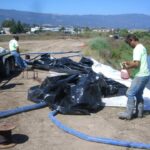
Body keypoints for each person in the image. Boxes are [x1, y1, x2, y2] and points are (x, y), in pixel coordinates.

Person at [118, 34, 150, 120]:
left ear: (132, 40)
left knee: (130, 93)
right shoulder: (142, 47)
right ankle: (139, 113)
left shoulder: (137, 49)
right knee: (139, 94)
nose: (129, 45)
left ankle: (128, 114)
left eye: (129, 43)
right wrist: (128, 62)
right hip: (146, 74)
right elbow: (137, 61)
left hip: (140, 75)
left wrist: (126, 67)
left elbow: (136, 64)